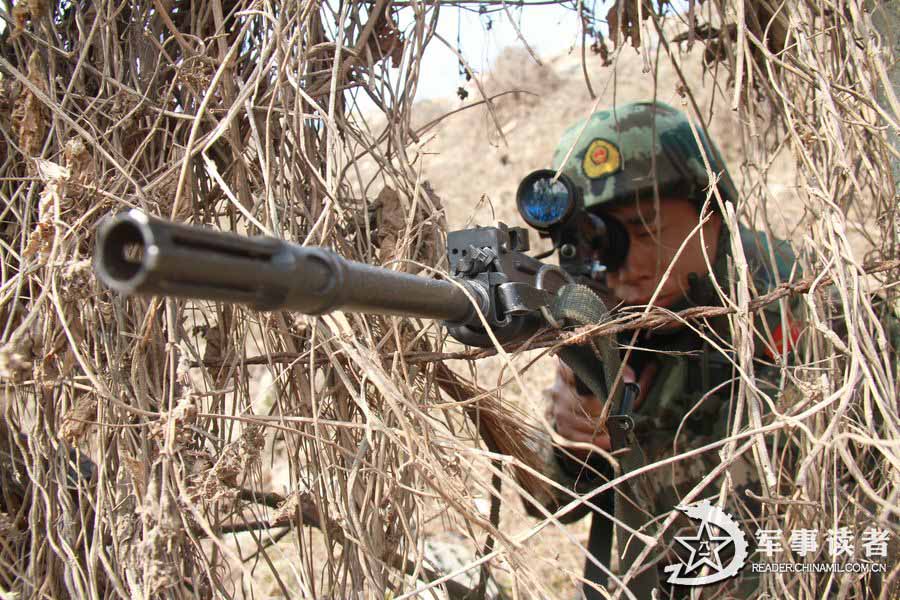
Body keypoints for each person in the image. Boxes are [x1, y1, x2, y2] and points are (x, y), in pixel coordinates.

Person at [522, 101, 804, 599]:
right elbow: (549, 503)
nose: (627, 266)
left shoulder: (796, 304)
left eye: (646, 228)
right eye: (603, 243)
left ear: (711, 208)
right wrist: (575, 442)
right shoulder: (615, 317)